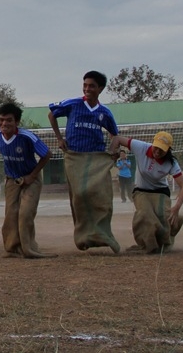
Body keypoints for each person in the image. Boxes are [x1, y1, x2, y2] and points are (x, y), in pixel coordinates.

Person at [48, 71, 121, 254]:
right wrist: (59, 138)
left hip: (96, 159)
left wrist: (113, 151)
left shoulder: (104, 113)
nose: (87, 89)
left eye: (92, 86)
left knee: (100, 198)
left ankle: (104, 235)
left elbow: (115, 134)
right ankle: (83, 237)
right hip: (75, 157)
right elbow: (51, 114)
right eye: (85, 85)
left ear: (100, 89)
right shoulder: (73, 104)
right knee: (79, 196)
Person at [0, 103, 52, 258]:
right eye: (1, 120)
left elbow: (47, 154)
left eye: (9, 120)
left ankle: (30, 249)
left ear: (17, 122)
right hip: (11, 179)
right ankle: (12, 248)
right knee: (11, 213)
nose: (4, 124)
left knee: (25, 213)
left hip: (31, 178)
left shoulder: (27, 137)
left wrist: (32, 176)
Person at [109, 131, 183, 254]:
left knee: (163, 216)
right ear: (153, 143)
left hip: (161, 191)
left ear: (168, 150)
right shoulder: (141, 147)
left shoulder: (171, 163)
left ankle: (164, 243)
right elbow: (117, 138)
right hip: (141, 190)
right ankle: (148, 245)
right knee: (145, 215)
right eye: (156, 147)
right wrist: (112, 154)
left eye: (161, 150)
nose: (157, 152)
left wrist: (177, 207)